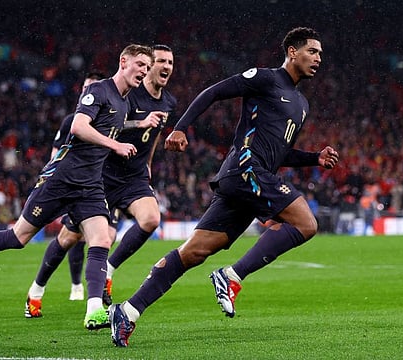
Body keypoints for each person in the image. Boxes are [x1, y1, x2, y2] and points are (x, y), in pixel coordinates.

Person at [108, 27, 340, 347]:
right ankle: (231, 277)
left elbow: (281, 153)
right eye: (312, 51)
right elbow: (214, 92)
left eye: (320, 54)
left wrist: (316, 158)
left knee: (194, 252)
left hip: (251, 179)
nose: (318, 58)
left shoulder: (301, 104)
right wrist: (180, 128)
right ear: (292, 52)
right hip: (246, 169)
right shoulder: (265, 78)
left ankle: (128, 310)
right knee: (306, 222)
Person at [0, 44, 154, 331]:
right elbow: (78, 126)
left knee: (101, 240)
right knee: (18, 237)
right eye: (140, 64)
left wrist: (139, 124)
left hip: (89, 185)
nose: (144, 71)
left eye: (147, 68)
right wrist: (115, 145)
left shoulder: (125, 103)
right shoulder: (99, 90)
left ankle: (94, 310)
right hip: (61, 179)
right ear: (123, 61)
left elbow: (113, 126)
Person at [24, 45, 177, 322]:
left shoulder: (168, 103)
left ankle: (107, 272)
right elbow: (104, 120)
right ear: (148, 65)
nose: (165, 67)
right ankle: (37, 289)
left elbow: (153, 137)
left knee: (151, 219)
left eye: (170, 62)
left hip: (133, 177)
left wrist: (149, 163)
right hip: (103, 175)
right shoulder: (131, 90)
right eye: (159, 62)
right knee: (69, 238)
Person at [50, 70, 105, 302]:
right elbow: (55, 153)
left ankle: (90, 289)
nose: (87, 91)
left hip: (100, 186)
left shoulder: (111, 119)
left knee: (93, 238)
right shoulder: (71, 121)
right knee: (72, 237)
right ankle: (74, 285)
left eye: (92, 87)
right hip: (74, 185)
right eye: (85, 87)